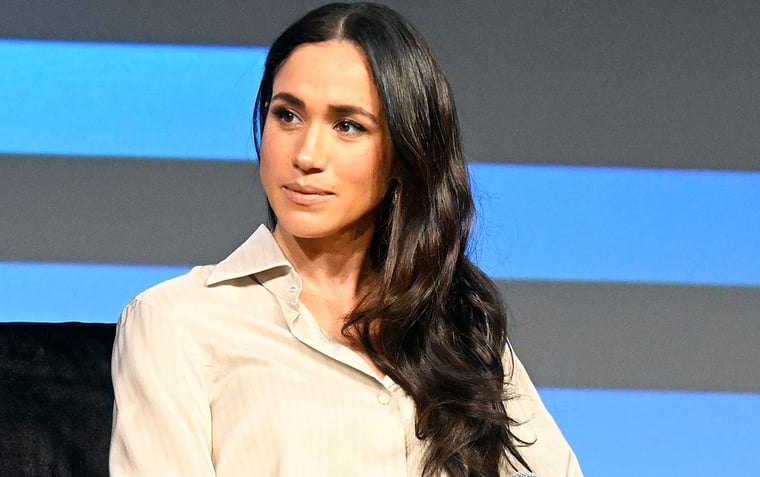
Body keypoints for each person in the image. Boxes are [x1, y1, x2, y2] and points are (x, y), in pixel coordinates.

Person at [109, 3, 583, 476]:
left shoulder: (458, 327)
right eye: (287, 115)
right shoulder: (177, 322)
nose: (307, 154)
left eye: (347, 126)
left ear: (404, 156)